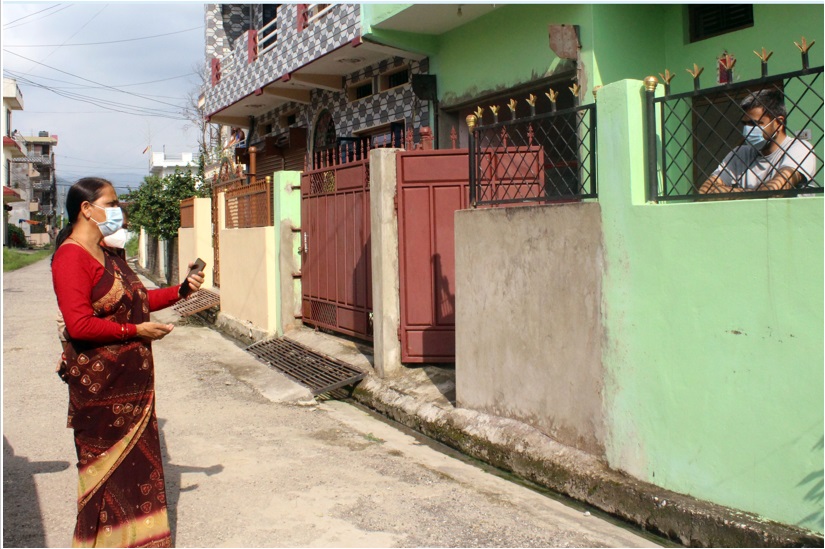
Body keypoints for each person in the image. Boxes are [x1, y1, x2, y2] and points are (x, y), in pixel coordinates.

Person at [51, 177, 204, 548]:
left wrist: (182, 290)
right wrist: (136, 331)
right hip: (100, 390)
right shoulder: (70, 257)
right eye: (113, 202)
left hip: (132, 386)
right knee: (103, 478)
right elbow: (80, 324)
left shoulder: (109, 254)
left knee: (136, 474)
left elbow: (140, 297)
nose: (119, 210)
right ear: (87, 209)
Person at [699, 88, 817, 194]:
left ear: (779, 123)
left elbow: (774, 190)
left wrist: (728, 192)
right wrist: (757, 192)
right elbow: (705, 190)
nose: (748, 129)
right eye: (745, 123)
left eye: (754, 123)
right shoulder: (740, 154)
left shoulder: (799, 148)